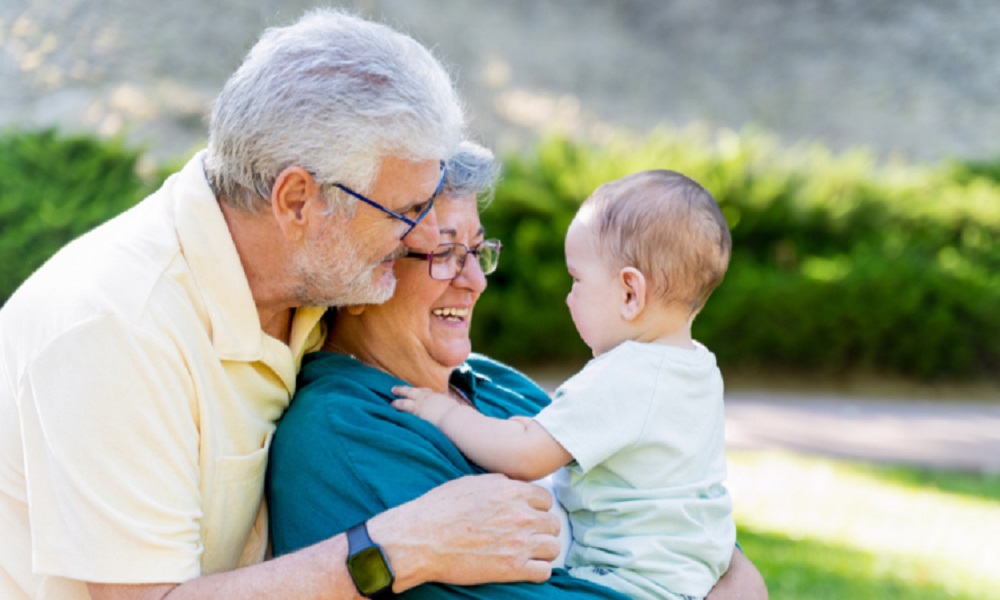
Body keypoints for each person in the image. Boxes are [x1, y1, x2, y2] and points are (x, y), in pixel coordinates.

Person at [0, 10, 564, 600]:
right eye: (406, 213)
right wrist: (403, 546)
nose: (418, 239)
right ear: (298, 201)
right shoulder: (118, 327)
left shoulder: (313, 284)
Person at [266, 150, 767, 600]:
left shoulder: (489, 382)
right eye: (445, 254)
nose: (476, 281)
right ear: (361, 275)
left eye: (478, 252)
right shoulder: (346, 432)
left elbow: (698, 540)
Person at [393, 169, 737, 600]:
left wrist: (443, 412)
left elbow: (524, 451)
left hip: (625, 585)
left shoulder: (626, 377)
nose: (569, 297)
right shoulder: (699, 368)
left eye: (577, 279)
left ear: (630, 293)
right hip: (691, 580)